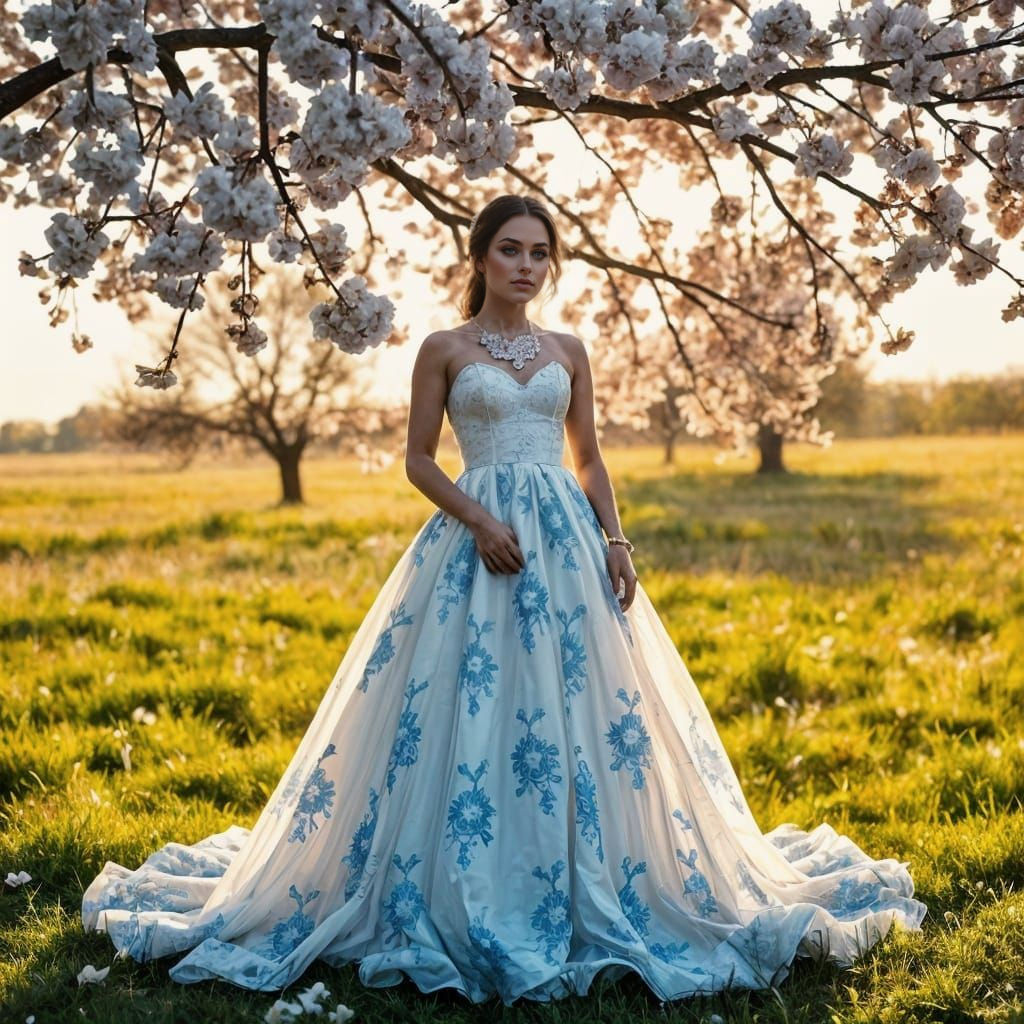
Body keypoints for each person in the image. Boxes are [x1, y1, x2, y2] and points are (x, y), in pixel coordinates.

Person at [81, 193, 927, 1004]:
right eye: (510, 249)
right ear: (480, 258)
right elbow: (417, 458)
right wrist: (479, 519)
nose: (527, 265)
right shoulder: (443, 347)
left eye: (539, 252)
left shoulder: (568, 349)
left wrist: (616, 539)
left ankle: (588, 862)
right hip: (477, 543)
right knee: (462, 705)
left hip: (566, 544)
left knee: (591, 711)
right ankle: (461, 875)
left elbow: (588, 457)